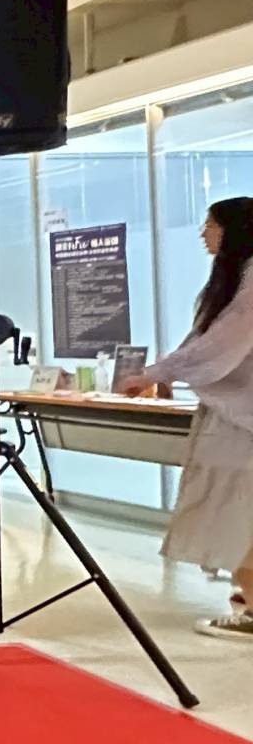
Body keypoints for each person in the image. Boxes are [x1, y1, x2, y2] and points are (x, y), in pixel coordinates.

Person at [120, 196, 253, 639]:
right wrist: (162, 371)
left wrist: (158, 373)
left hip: (242, 423)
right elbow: (204, 340)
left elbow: (220, 344)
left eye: (211, 225)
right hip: (235, 417)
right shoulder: (235, 279)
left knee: (237, 509)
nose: (203, 233)